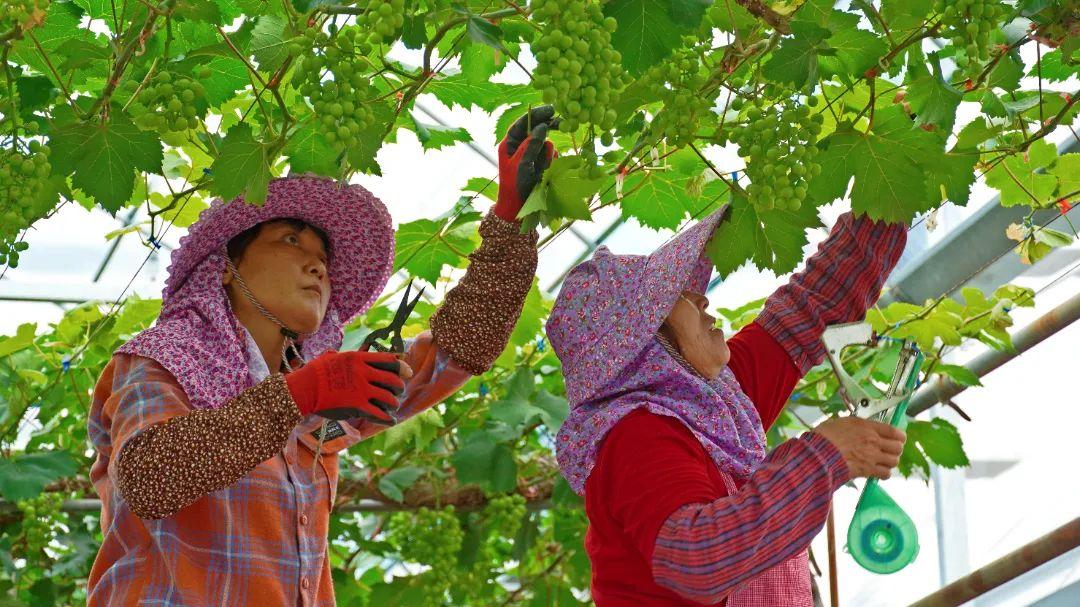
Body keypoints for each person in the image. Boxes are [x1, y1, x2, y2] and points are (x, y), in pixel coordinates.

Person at [85, 107, 559, 606]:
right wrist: (301, 394)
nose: (317, 265)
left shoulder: (321, 389)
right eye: (291, 240)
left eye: (324, 257)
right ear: (225, 267)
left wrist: (512, 220)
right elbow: (149, 477)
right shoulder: (162, 357)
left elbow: (458, 350)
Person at [547, 202, 910, 606]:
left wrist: (892, 194)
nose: (701, 299)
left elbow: (811, 308)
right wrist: (825, 457)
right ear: (644, 344)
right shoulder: (636, 435)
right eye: (675, 296)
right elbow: (697, 560)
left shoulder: (714, 404)